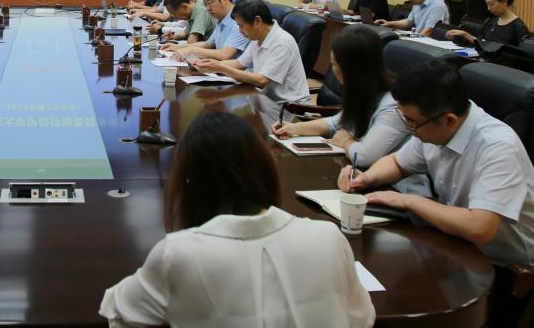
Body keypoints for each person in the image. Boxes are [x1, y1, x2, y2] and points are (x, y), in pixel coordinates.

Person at [100, 112, 374, 328]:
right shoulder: (328, 237)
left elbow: (117, 310)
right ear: (265, 169)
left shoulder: (178, 253)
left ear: (188, 182)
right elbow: (362, 318)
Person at [338, 60, 534, 267]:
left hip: (513, 261)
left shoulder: (497, 146)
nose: (410, 128)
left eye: (412, 122)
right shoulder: (433, 124)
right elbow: (398, 163)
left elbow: (480, 228)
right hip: (460, 240)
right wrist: (366, 178)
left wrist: (409, 201)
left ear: (449, 120)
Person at [272, 25, 411, 167]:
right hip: (359, 170)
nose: (332, 70)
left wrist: (346, 141)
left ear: (350, 69)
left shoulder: (393, 107)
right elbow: (334, 123)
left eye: (333, 64)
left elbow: (363, 157)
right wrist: (294, 128)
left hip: (389, 179)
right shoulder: (364, 91)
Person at [193, 0, 311, 104]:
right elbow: (238, 64)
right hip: (265, 100)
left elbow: (261, 81)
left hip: (289, 108)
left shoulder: (282, 42)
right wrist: (207, 65)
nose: (240, 31)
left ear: (257, 21)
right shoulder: (258, 37)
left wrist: (219, 67)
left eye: (241, 25)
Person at [163, 0, 248, 61]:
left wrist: (192, 50)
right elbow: (208, 44)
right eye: (205, 4)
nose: (207, 9)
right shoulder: (222, 19)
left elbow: (224, 55)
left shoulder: (238, 22)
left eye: (210, 3)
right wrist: (179, 47)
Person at [446, 0, 529, 46]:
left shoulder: (518, 27)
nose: (488, 8)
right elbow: (483, 43)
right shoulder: (492, 21)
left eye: (491, 4)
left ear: (504, 1)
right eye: (487, 4)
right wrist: (464, 34)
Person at [375, 0, 449, 36]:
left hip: (430, 43)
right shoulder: (417, 3)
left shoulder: (437, 5)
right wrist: (389, 23)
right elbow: (408, 22)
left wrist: (410, 41)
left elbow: (428, 31)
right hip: (419, 38)